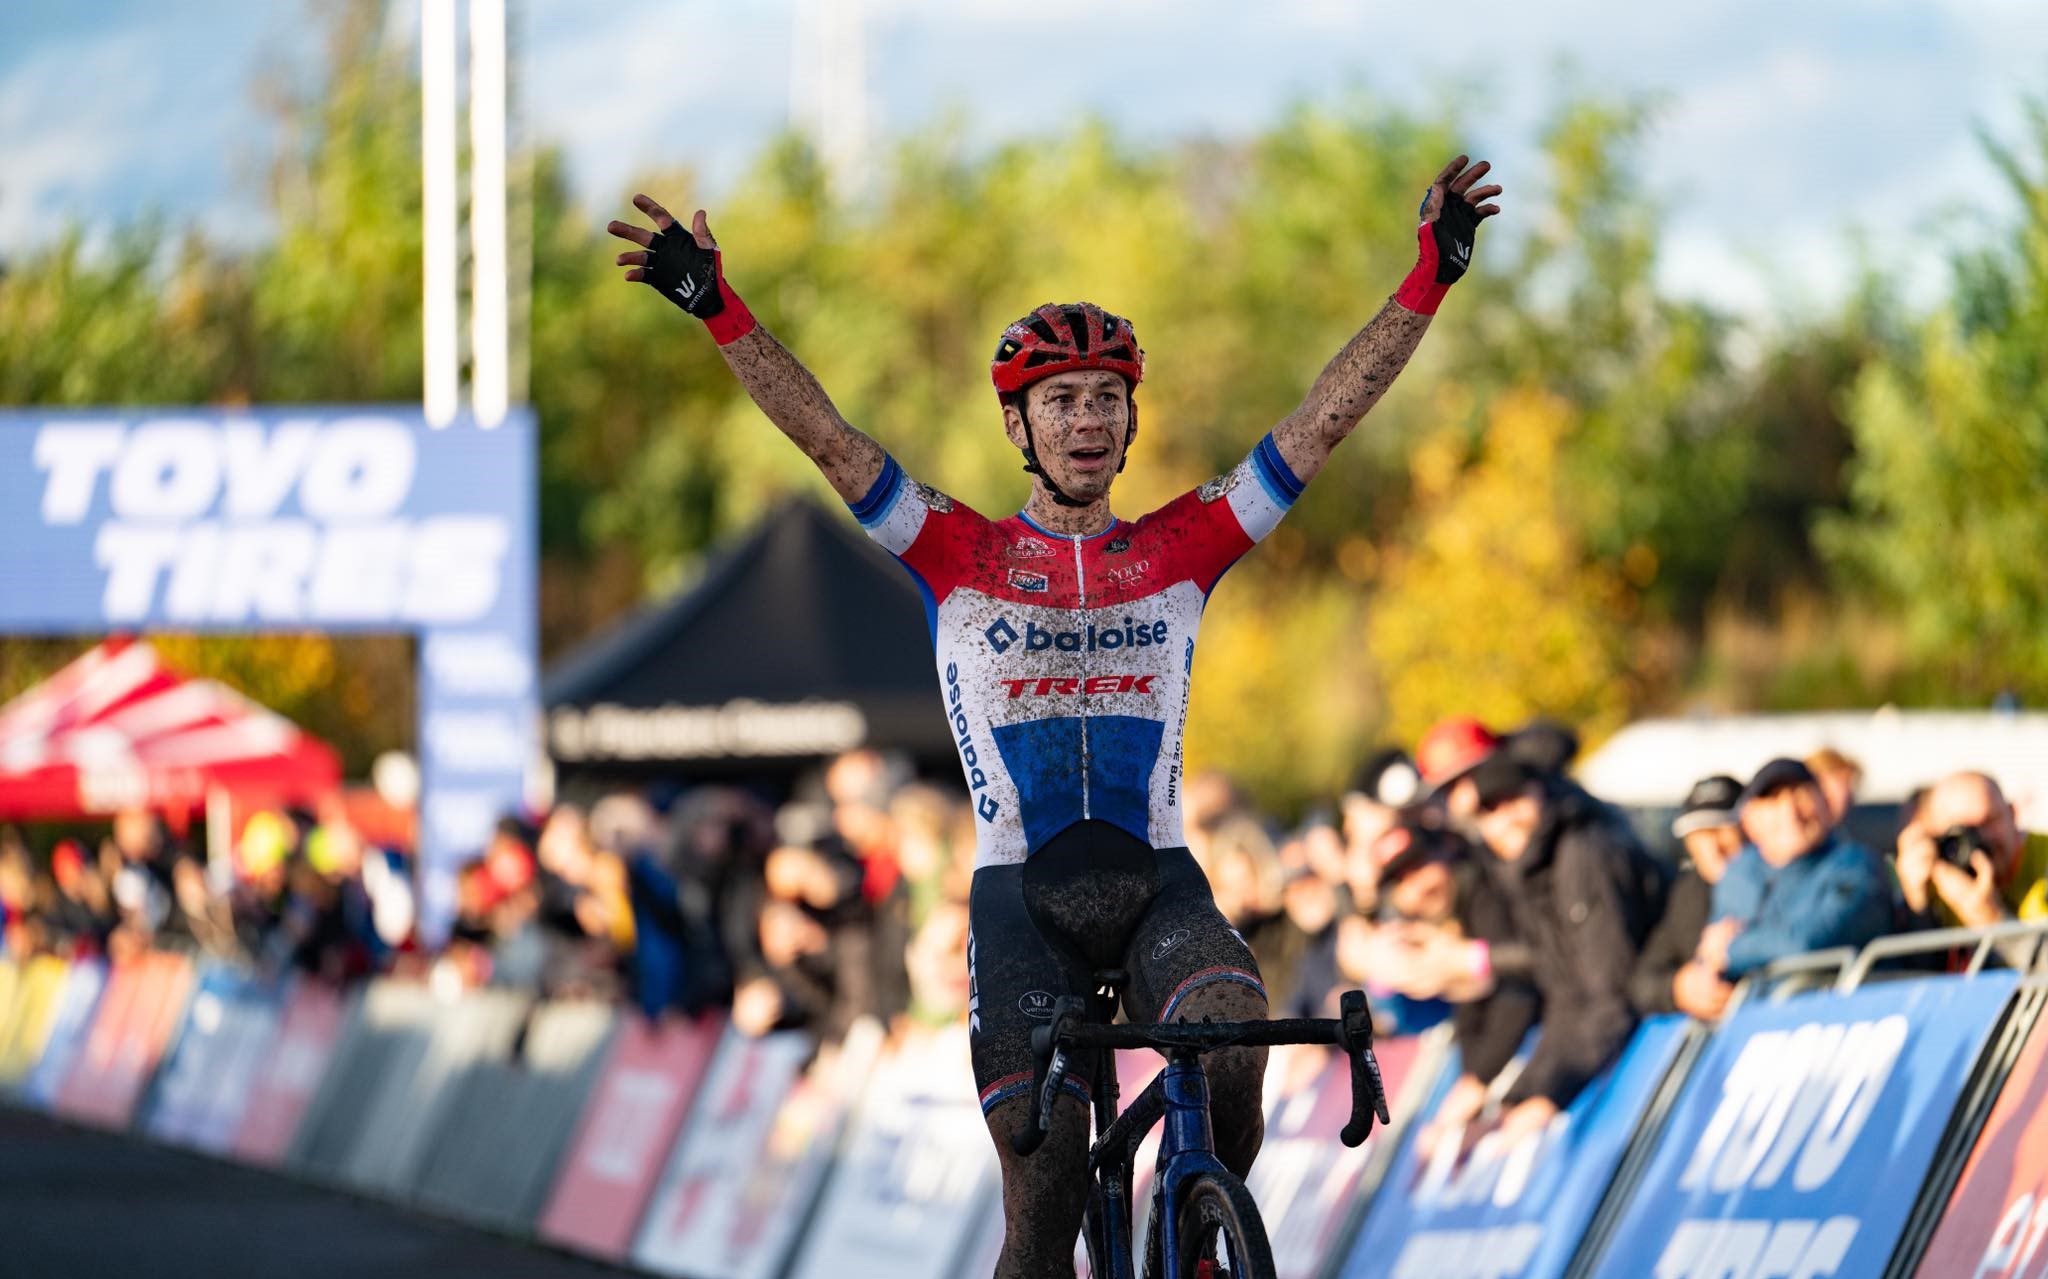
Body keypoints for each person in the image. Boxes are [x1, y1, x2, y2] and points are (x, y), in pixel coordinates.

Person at [610, 152, 1502, 1278]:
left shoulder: (1181, 549)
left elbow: (1318, 424)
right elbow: (830, 440)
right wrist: (718, 310)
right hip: (1018, 897)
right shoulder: (958, 553)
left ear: (1130, 421)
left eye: (1106, 400)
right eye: (1060, 402)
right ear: (1019, 428)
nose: (1086, 419)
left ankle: (1203, 1226)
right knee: (1045, 1187)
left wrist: (1428, 280)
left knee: (1227, 1025)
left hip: (1156, 876)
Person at [1456, 752, 1668, 1142]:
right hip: (1618, 1040)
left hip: (1660, 1045)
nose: (1505, 819)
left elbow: (1609, 993)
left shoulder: (1583, 855)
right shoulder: (1529, 874)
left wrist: (1551, 1095)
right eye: (1490, 810)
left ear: (1539, 793)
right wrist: (1519, 1098)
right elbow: (1564, 998)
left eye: (1513, 800)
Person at [1698, 759, 1893, 982]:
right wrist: (1693, 985)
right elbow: (1708, 953)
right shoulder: (1738, 873)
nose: (1790, 812)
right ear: (1749, 819)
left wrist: (1733, 949)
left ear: (1824, 804)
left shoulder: (1856, 866)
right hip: (1750, 1011)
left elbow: (1808, 944)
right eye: (1773, 799)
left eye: (1800, 794)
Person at [1895, 770, 2048, 968]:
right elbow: (1918, 984)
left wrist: (1993, 921)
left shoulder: (2043, 860)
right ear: (1933, 837)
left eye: (1990, 821)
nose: (1980, 840)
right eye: (1961, 831)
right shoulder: (1934, 880)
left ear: (2012, 814)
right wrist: (1917, 907)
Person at [1630, 775, 1744, 1022]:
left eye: (1721, 829)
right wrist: (1679, 988)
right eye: (1701, 834)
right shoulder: (1687, 894)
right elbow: (1643, 980)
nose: (1714, 847)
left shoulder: (1781, 879)